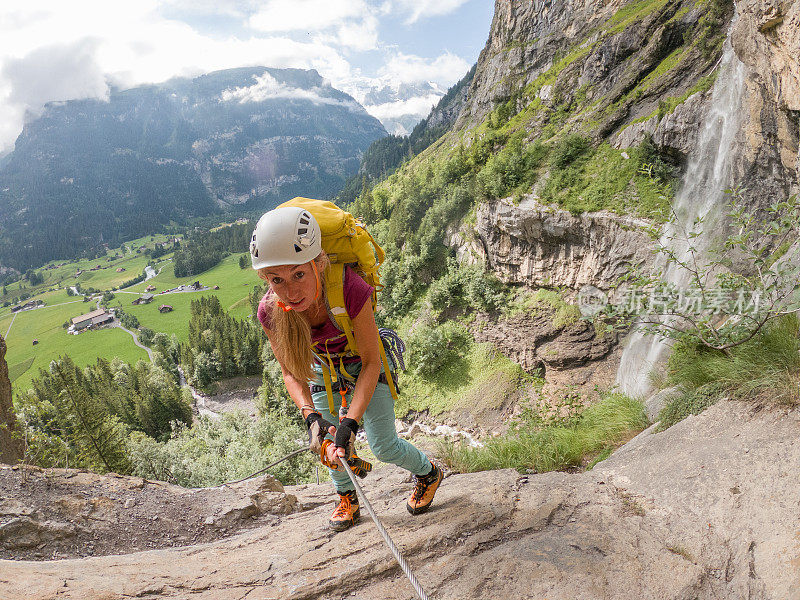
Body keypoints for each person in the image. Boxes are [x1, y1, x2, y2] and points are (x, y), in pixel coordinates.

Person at [250, 206, 443, 531]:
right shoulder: (270, 312)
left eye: (299, 274)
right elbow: (290, 373)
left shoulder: (349, 288)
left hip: (363, 364)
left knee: (383, 445)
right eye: (277, 280)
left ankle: (428, 472)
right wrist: (311, 417)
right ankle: (346, 498)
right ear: (265, 280)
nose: (291, 291)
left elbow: (371, 362)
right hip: (322, 369)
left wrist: (351, 422)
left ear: (319, 263)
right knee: (329, 443)